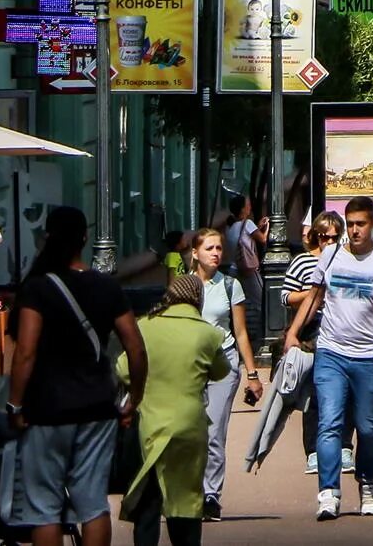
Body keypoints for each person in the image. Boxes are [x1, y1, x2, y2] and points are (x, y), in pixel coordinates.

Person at [8, 206, 149, 546]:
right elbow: (136, 348)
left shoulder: (37, 288)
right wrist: (134, 398)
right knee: (93, 503)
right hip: (97, 406)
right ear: (85, 239)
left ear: (47, 238)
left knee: (45, 507)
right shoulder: (106, 286)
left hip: (47, 409)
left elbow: (25, 351)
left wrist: (14, 405)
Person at [285, 194, 373, 520]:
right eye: (350, 224)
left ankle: (367, 482)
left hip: (370, 356)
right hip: (331, 352)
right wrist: (293, 333)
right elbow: (314, 297)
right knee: (329, 422)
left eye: (361, 225)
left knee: (367, 427)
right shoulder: (330, 257)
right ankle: (329, 492)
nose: (354, 231)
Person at [120, 275, 228, 546]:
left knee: (148, 503)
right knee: (186, 502)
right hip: (189, 427)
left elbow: (122, 368)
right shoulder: (207, 333)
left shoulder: (144, 327)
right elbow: (221, 371)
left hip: (149, 428)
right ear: (197, 300)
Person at [186, 227, 263, 520]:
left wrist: (253, 374)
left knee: (214, 432)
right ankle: (188, 491)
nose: (216, 253)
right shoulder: (184, 286)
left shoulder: (230, 285)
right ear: (195, 253)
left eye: (219, 248)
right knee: (190, 431)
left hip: (224, 362)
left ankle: (210, 496)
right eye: (209, 248)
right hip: (190, 365)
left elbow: (241, 332)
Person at [282, 211, 346, 476]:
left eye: (334, 237)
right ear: (315, 236)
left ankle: (345, 447)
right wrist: (314, 293)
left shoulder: (346, 261)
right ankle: (313, 451)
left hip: (341, 329)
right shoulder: (302, 263)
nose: (329, 242)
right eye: (324, 236)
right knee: (314, 395)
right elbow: (286, 297)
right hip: (312, 332)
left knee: (344, 391)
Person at [220, 193, 265, 342]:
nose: (250, 207)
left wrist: (258, 227)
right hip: (248, 268)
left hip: (234, 269)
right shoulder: (248, 223)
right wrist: (269, 226)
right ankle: (263, 333)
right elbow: (264, 239)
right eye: (248, 205)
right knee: (262, 300)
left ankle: (233, 332)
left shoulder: (230, 226)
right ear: (243, 209)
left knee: (234, 303)